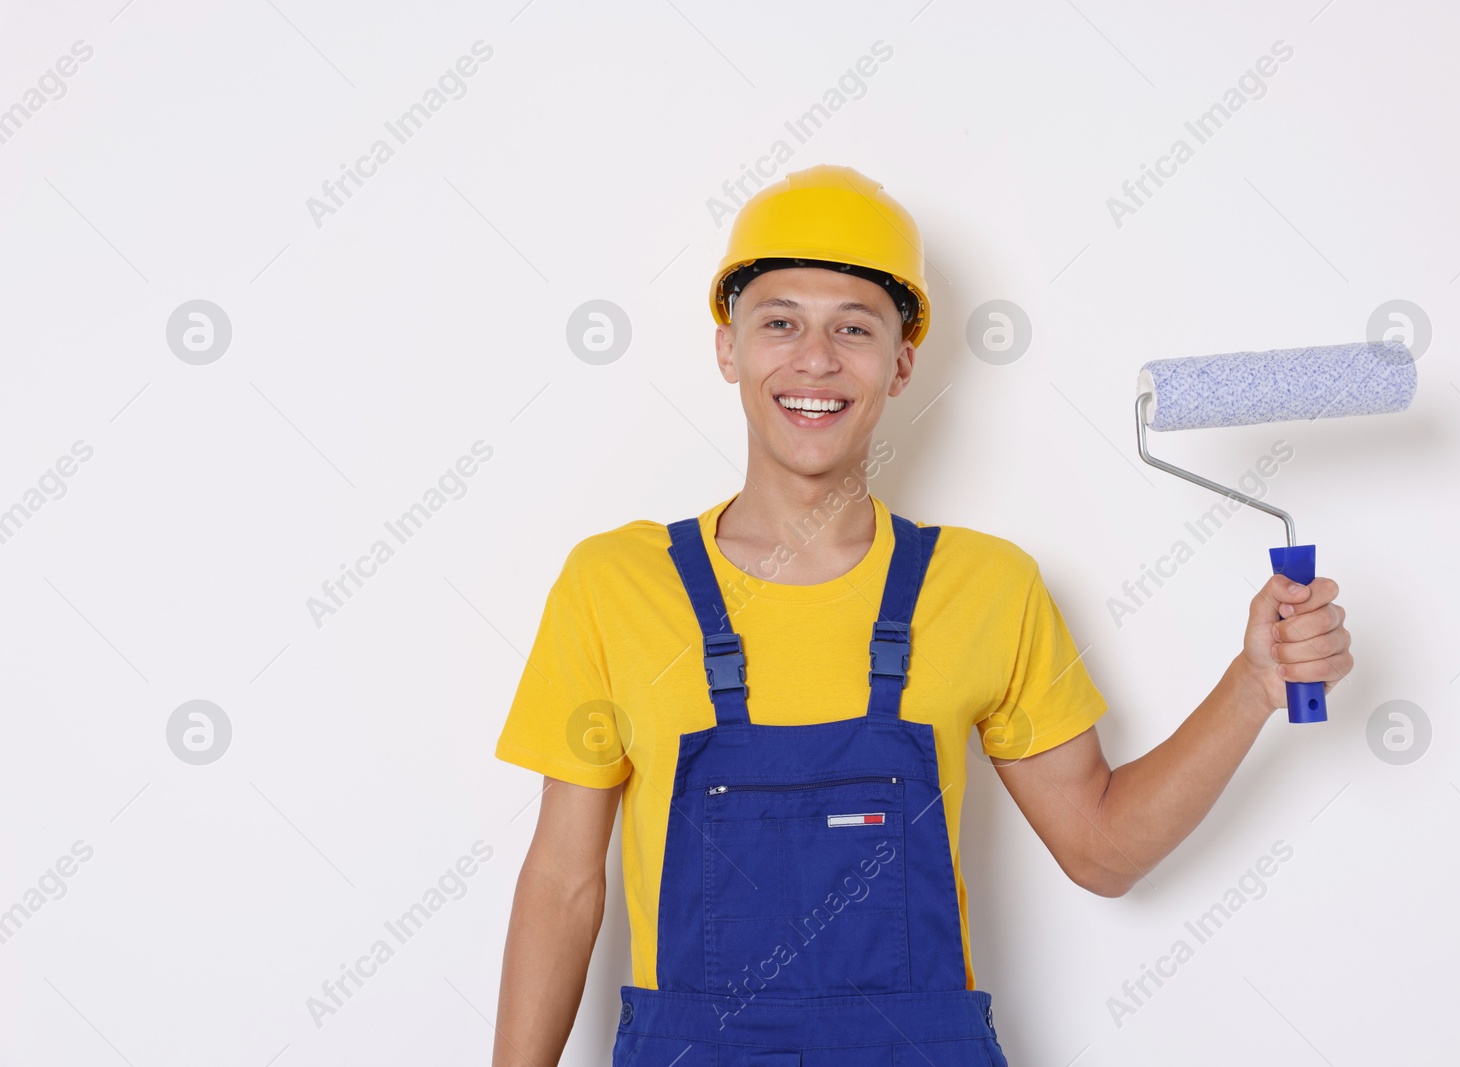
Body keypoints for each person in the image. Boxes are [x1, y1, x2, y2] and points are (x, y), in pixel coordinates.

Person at [489, 164, 1353, 1065]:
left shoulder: (986, 586)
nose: (815, 360)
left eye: (853, 329)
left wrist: (1255, 683)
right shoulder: (615, 584)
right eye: (779, 321)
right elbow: (561, 883)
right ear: (727, 348)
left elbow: (1103, 851)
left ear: (901, 362)